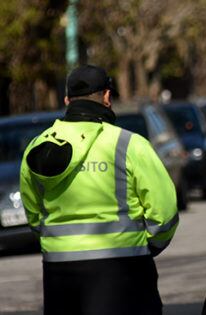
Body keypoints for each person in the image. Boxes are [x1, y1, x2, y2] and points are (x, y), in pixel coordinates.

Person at [19, 64, 179, 315]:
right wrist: (150, 246)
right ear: (106, 97)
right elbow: (165, 210)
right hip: (124, 269)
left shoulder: (37, 148)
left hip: (60, 272)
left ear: (66, 100)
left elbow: (33, 215)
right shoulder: (130, 144)